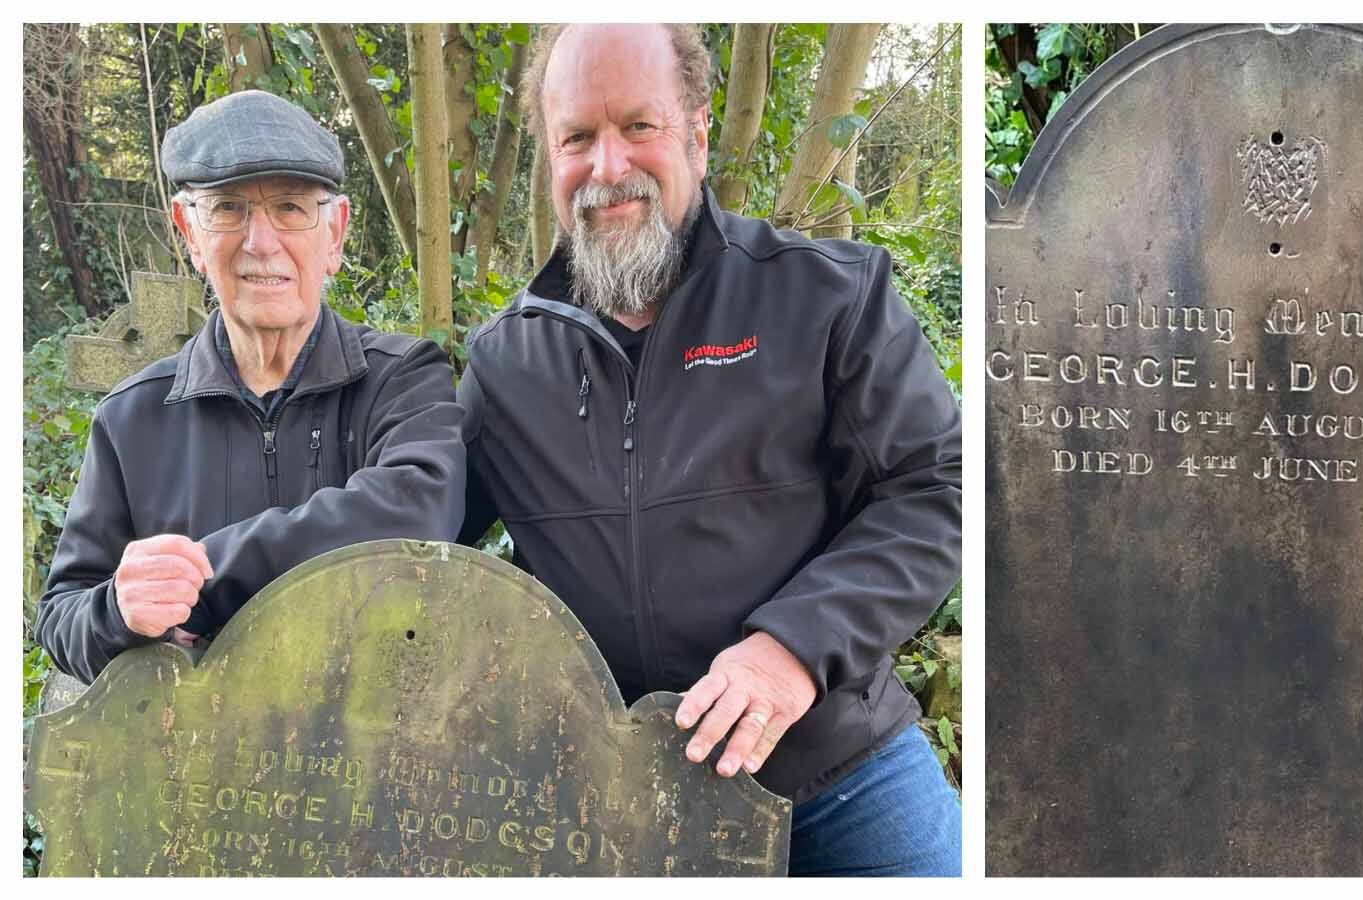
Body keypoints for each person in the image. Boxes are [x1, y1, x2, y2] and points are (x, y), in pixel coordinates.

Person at [457, 25, 961, 876]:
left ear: (696, 129)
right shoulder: (504, 363)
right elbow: (406, 526)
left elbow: (937, 486)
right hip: (615, 794)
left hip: (836, 771)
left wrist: (794, 648)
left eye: (638, 126)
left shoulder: (828, 296)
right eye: (576, 137)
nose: (608, 166)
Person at [35, 90, 467, 684]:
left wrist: (203, 577)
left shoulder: (402, 379)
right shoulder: (130, 419)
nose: (260, 242)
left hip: (374, 733)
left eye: (290, 207)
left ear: (335, 234)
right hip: (199, 744)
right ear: (189, 232)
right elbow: (62, 616)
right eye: (229, 209)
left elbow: (416, 516)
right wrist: (117, 610)